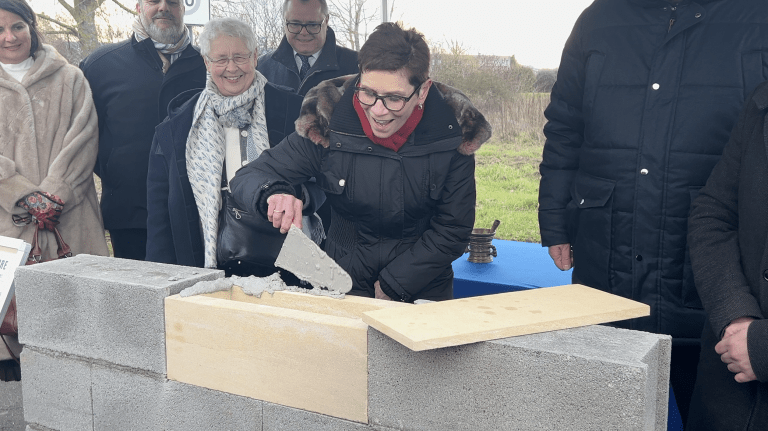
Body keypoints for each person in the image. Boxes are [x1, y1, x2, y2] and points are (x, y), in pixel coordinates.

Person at [537, 0, 768, 424]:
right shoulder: (597, 20)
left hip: (713, 268)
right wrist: (554, 219)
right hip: (606, 252)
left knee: (705, 408)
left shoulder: (755, 17)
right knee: (604, 409)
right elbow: (565, 126)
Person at [231, 22, 491, 302]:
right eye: (367, 93)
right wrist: (273, 193)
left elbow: (453, 229)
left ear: (423, 91)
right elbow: (250, 176)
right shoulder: (328, 122)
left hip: (423, 290)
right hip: (341, 285)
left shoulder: (453, 134)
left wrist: (395, 284)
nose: (378, 111)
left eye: (394, 98)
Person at [145, 17, 322, 278]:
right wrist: (158, 276)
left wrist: (300, 199)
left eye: (240, 57)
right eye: (220, 59)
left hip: (287, 265)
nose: (231, 68)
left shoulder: (294, 111)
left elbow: (322, 181)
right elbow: (160, 215)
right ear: (206, 62)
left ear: (255, 57)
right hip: (205, 268)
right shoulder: (177, 127)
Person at [0, 0, 108, 377]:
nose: (9, 37)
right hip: (7, 223)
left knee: (79, 333)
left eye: (17, 26)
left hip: (70, 218)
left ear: (32, 27)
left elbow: (84, 137)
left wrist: (53, 191)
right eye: (0, 29)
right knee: (14, 334)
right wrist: (19, 191)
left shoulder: (70, 78)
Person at [79, 0, 206, 260]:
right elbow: (85, 137)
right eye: (153, 1)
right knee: (135, 297)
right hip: (130, 215)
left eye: (172, 2)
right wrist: (118, 173)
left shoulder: (208, 66)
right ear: (138, 6)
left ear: (184, 7)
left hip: (196, 212)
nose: (163, 8)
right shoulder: (100, 66)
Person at [686, 80, 768, 430]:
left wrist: (763, 348)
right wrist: (735, 315)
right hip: (731, 393)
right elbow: (713, 212)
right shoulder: (762, 101)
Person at [258, 0, 358, 97]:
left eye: (313, 25)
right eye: (295, 24)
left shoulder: (356, 65)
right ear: (284, 21)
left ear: (326, 21)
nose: (304, 32)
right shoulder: (261, 68)